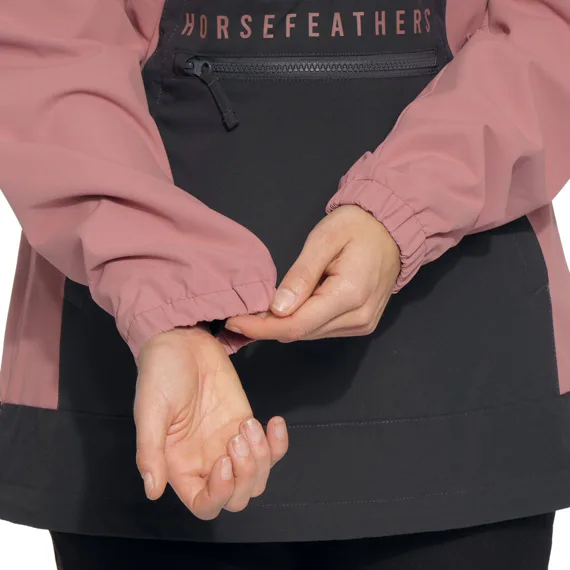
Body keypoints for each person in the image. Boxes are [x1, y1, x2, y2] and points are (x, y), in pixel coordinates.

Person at [0, 0, 569, 568]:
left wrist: (405, 208)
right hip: (139, 365)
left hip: (466, 360)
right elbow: (44, 43)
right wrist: (163, 297)